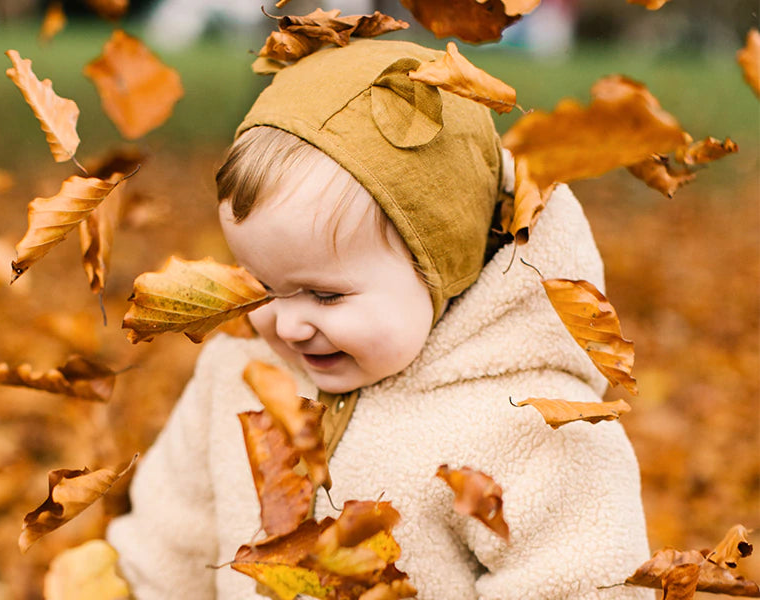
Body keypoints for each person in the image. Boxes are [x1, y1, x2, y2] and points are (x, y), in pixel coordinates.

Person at [106, 39, 651, 599]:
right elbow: (168, 547)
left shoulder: (531, 427)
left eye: (324, 295)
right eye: (263, 287)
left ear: (444, 268)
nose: (286, 325)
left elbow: (582, 582)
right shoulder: (238, 374)